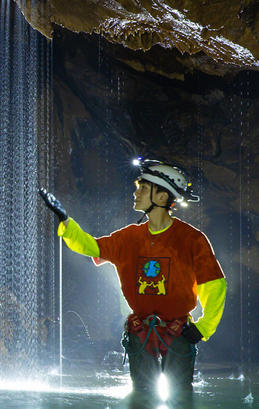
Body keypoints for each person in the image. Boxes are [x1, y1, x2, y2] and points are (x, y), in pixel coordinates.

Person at [39, 160, 226, 392]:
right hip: (140, 331)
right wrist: (66, 222)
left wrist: (204, 328)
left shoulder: (192, 240)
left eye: (143, 188)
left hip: (178, 331)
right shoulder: (128, 237)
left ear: (161, 197)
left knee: (180, 394)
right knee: (142, 395)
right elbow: (92, 247)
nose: (135, 192)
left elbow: (215, 284)